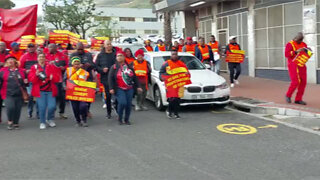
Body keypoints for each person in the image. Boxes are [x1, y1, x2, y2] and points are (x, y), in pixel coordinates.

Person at [108, 51, 142, 125]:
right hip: (119, 88)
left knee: (128, 104)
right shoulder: (114, 67)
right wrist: (111, 88)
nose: (119, 57)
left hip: (129, 88)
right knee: (122, 102)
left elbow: (135, 77)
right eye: (118, 56)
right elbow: (110, 78)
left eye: (121, 56)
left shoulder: (129, 66)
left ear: (124, 57)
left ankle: (126, 119)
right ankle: (120, 118)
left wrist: (138, 86)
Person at [28, 53, 60, 130]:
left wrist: (53, 77)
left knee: (52, 106)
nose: (41, 58)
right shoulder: (34, 67)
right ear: (37, 58)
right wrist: (36, 75)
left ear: (45, 58)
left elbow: (57, 78)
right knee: (42, 107)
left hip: (50, 90)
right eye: (40, 57)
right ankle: (42, 122)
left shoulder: (51, 66)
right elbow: (31, 80)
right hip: (40, 91)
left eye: (43, 57)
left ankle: (49, 119)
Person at [159, 51, 190, 119]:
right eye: (173, 54)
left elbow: (187, 72)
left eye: (176, 54)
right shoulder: (166, 64)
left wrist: (187, 74)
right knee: (172, 99)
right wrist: (162, 78)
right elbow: (161, 72)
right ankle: (169, 111)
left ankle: (176, 113)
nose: (174, 56)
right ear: (171, 55)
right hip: (170, 84)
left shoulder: (181, 64)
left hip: (179, 84)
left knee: (177, 99)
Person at [0, 55, 27, 130]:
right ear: (6, 62)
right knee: (10, 107)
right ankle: (10, 121)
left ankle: (16, 122)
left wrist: (26, 82)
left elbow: (25, 82)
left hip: (19, 93)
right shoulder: (2, 71)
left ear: (15, 61)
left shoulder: (21, 71)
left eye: (12, 59)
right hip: (7, 93)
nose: (10, 61)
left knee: (18, 108)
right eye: (8, 60)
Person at [70, 42, 96, 118]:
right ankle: (80, 112)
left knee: (89, 96)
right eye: (79, 49)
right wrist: (78, 66)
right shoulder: (73, 55)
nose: (80, 51)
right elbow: (69, 66)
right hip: (76, 79)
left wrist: (89, 65)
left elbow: (94, 66)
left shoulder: (88, 54)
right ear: (76, 48)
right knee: (78, 97)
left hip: (88, 77)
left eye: (82, 49)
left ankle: (87, 110)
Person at [45, 43, 69, 119]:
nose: (49, 49)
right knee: (53, 97)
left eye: (51, 47)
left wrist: (64, 68)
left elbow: (68, 65)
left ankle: (62, 112)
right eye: (48, 47)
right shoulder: (46, 56)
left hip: (61, 79)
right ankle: (52, 112)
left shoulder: (63, 56)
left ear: (55, 48)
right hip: (51, 80)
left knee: (62, 97)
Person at [65, 57, 90, 127]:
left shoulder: (85, 72)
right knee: (75, 107)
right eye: (75, 63)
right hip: (72, 92)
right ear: (72, 64)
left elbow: (89, 81)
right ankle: (78, 120)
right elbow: (64, 80)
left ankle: (84, 120)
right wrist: (65, 87)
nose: (76, 65)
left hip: (82, 92)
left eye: (78, 63)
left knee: (83, 106)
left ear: (80, 64)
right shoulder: (68, 71)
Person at [285, 32, 309, 105]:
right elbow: (287, 54)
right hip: (293, 64)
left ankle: (298, 99)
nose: (299, 42)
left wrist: (308, 51)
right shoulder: (290, 44)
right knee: (295, 81)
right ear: (295, 38)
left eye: (301, 40)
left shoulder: (304, 44)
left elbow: (307, 52)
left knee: (303, 82)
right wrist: (296, 51)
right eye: (298, 40)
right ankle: (288, 95)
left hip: (301, 64)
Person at [95, 40, 117, 119]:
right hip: (105, 78)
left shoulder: (116, 54)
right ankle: (109, 112)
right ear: (104, 46)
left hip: (116, 78)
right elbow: (96, 66)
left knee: (117, 95)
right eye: (107, 44)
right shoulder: (100, 55)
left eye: (110, 44)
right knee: (108, 96)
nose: (109, 45)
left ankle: (117, 108)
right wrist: (102, 70)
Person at [20, 43, 39, 119]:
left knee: (38, 96)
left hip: (38, 79)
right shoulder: (24, 57)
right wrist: (25, 71)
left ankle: (38, 113)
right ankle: (30, 111)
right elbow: (20, 68)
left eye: (32, 47)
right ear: (27, 48)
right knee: (31, 96)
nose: (31, 48)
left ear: (35, 48)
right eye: (29, 47)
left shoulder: (38, 55)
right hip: (29, 80)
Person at [0, 41, 8, 123]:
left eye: (3, 45)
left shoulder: (8, 54)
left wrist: (4, 64)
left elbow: (11, 62)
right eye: (0, 45)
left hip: (6, 77)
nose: (1, 47)